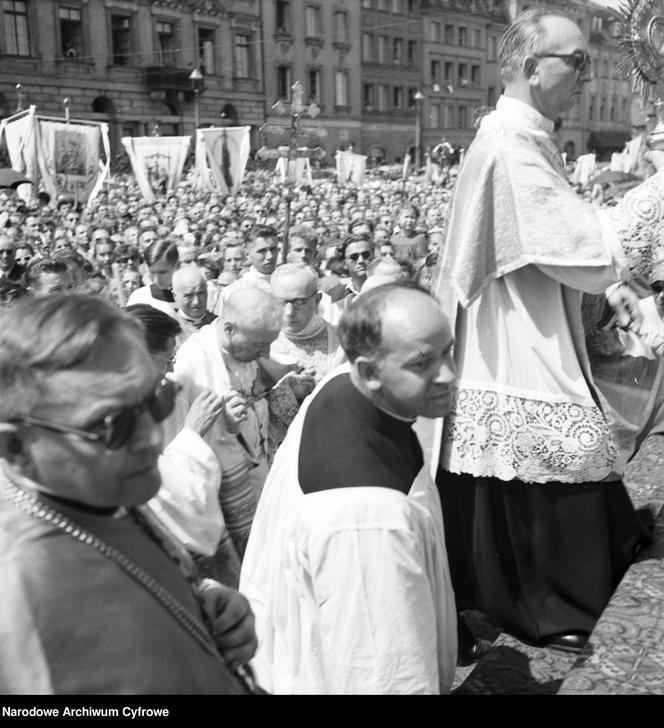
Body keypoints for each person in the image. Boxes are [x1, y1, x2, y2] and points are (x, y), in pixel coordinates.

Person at [434, 8, 664, 657]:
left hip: (531, 318)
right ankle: (548, 605)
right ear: (535, 68)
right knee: (557, 451)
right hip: (513, 338)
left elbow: (562, 243)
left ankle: (563, 587)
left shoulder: (525, 136)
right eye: (578, 61)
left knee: (578, 463)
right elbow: (591, 253)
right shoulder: (509, 145)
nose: (588, 77)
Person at [0, 294, 259, 694]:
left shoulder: (94, 493)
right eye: (110, 425)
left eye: (151, 401)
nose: (150, 436)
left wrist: (201, 604)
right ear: (17, 448)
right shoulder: (30, 595)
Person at [240, 282, 458, 694]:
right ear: (370, 371)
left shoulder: (345, 383)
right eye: (422, 362)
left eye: (448, 350)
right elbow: (384, 674)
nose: (448, 374)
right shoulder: (367, 520)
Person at [173, 286, 282, 564]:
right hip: (222, 493)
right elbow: (185, 439)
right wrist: (226, 427)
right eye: (260, 345)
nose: (266, 353)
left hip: (256, 474)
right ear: (230, 329)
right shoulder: (195, 359)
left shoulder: (243, 352)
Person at [172, 265, 217, 343]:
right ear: (174, 296)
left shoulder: (218, 323)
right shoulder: (168, 331)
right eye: (188, 295)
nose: (196, 301)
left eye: (200, 293)